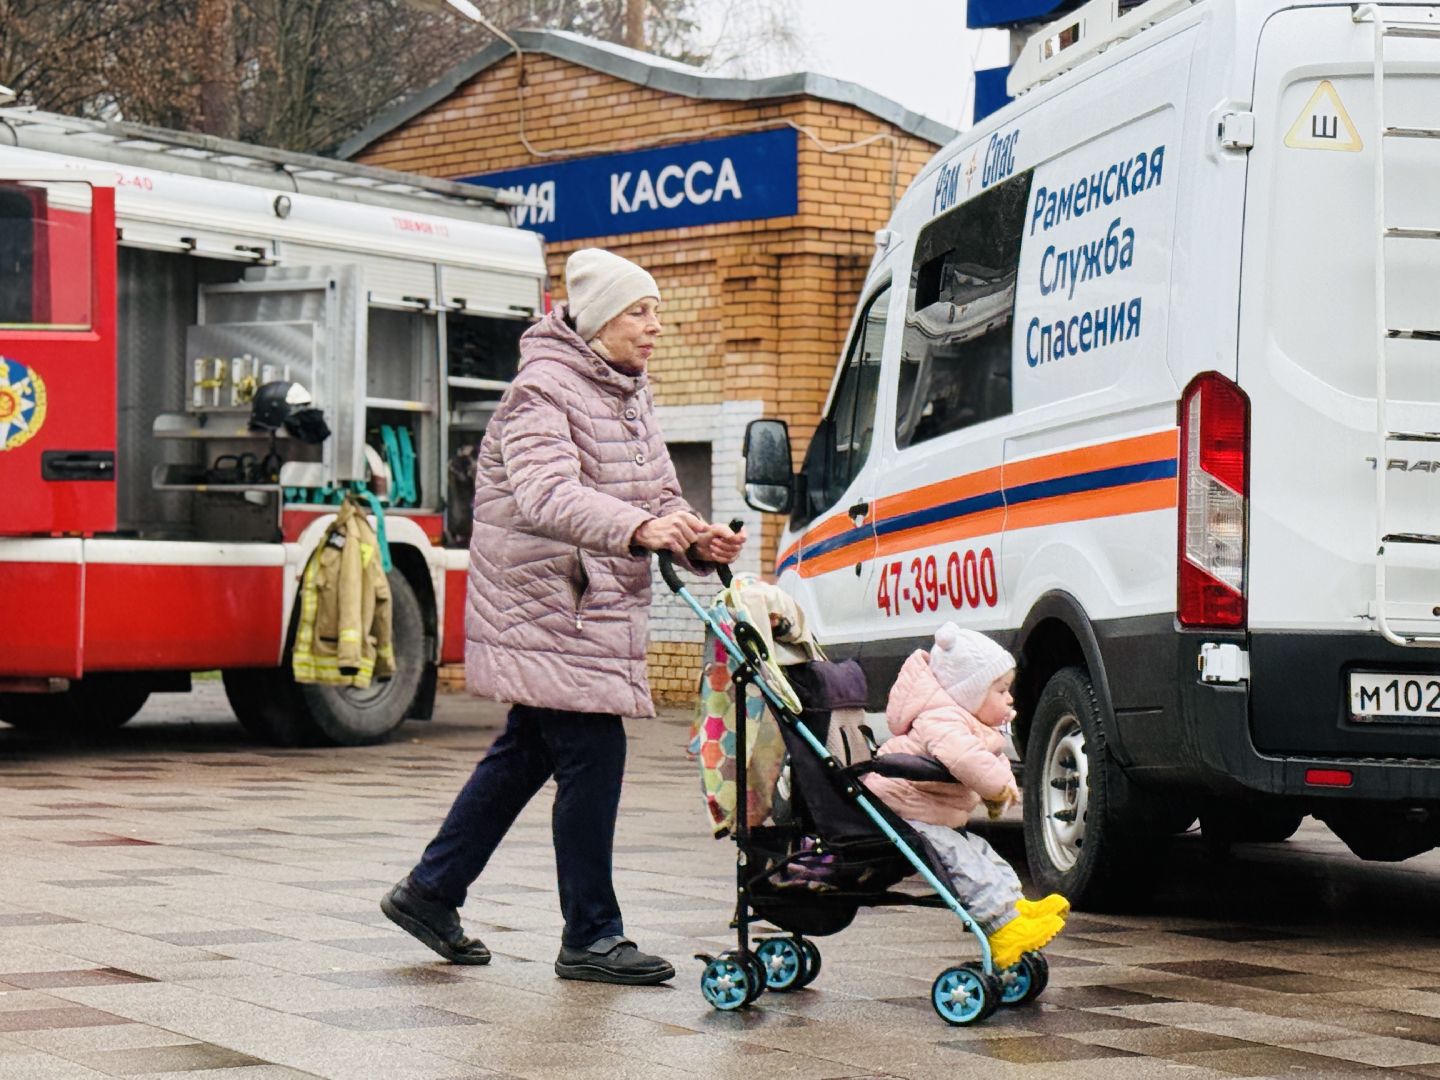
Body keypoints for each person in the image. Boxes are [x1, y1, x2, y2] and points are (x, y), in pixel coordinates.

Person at [382, 248, 746, 985]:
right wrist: (642, 531)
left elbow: (656, 493)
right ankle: (591, 934)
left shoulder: (627, 392)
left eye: (655, 310)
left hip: (585, 605)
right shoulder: (541, 393)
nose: (656, 326)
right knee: (591, 752)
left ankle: (431, 891)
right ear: (601, 319)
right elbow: (547, 496)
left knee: (526, 753)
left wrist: (696, 537)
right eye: (640, 311)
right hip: (550, 604)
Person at [862, 621, 1069, 971]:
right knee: (962, 860)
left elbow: (982, 755)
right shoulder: (941, 719)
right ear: (970, 693)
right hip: (903, 811)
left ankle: (1013, 907)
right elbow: (966, 760)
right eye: (1000, 691)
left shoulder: (962, 719)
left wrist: (995, 787)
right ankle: (1001, 928)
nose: (1010, 698)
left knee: (982, 851)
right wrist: (997, 787)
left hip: (926, 812)